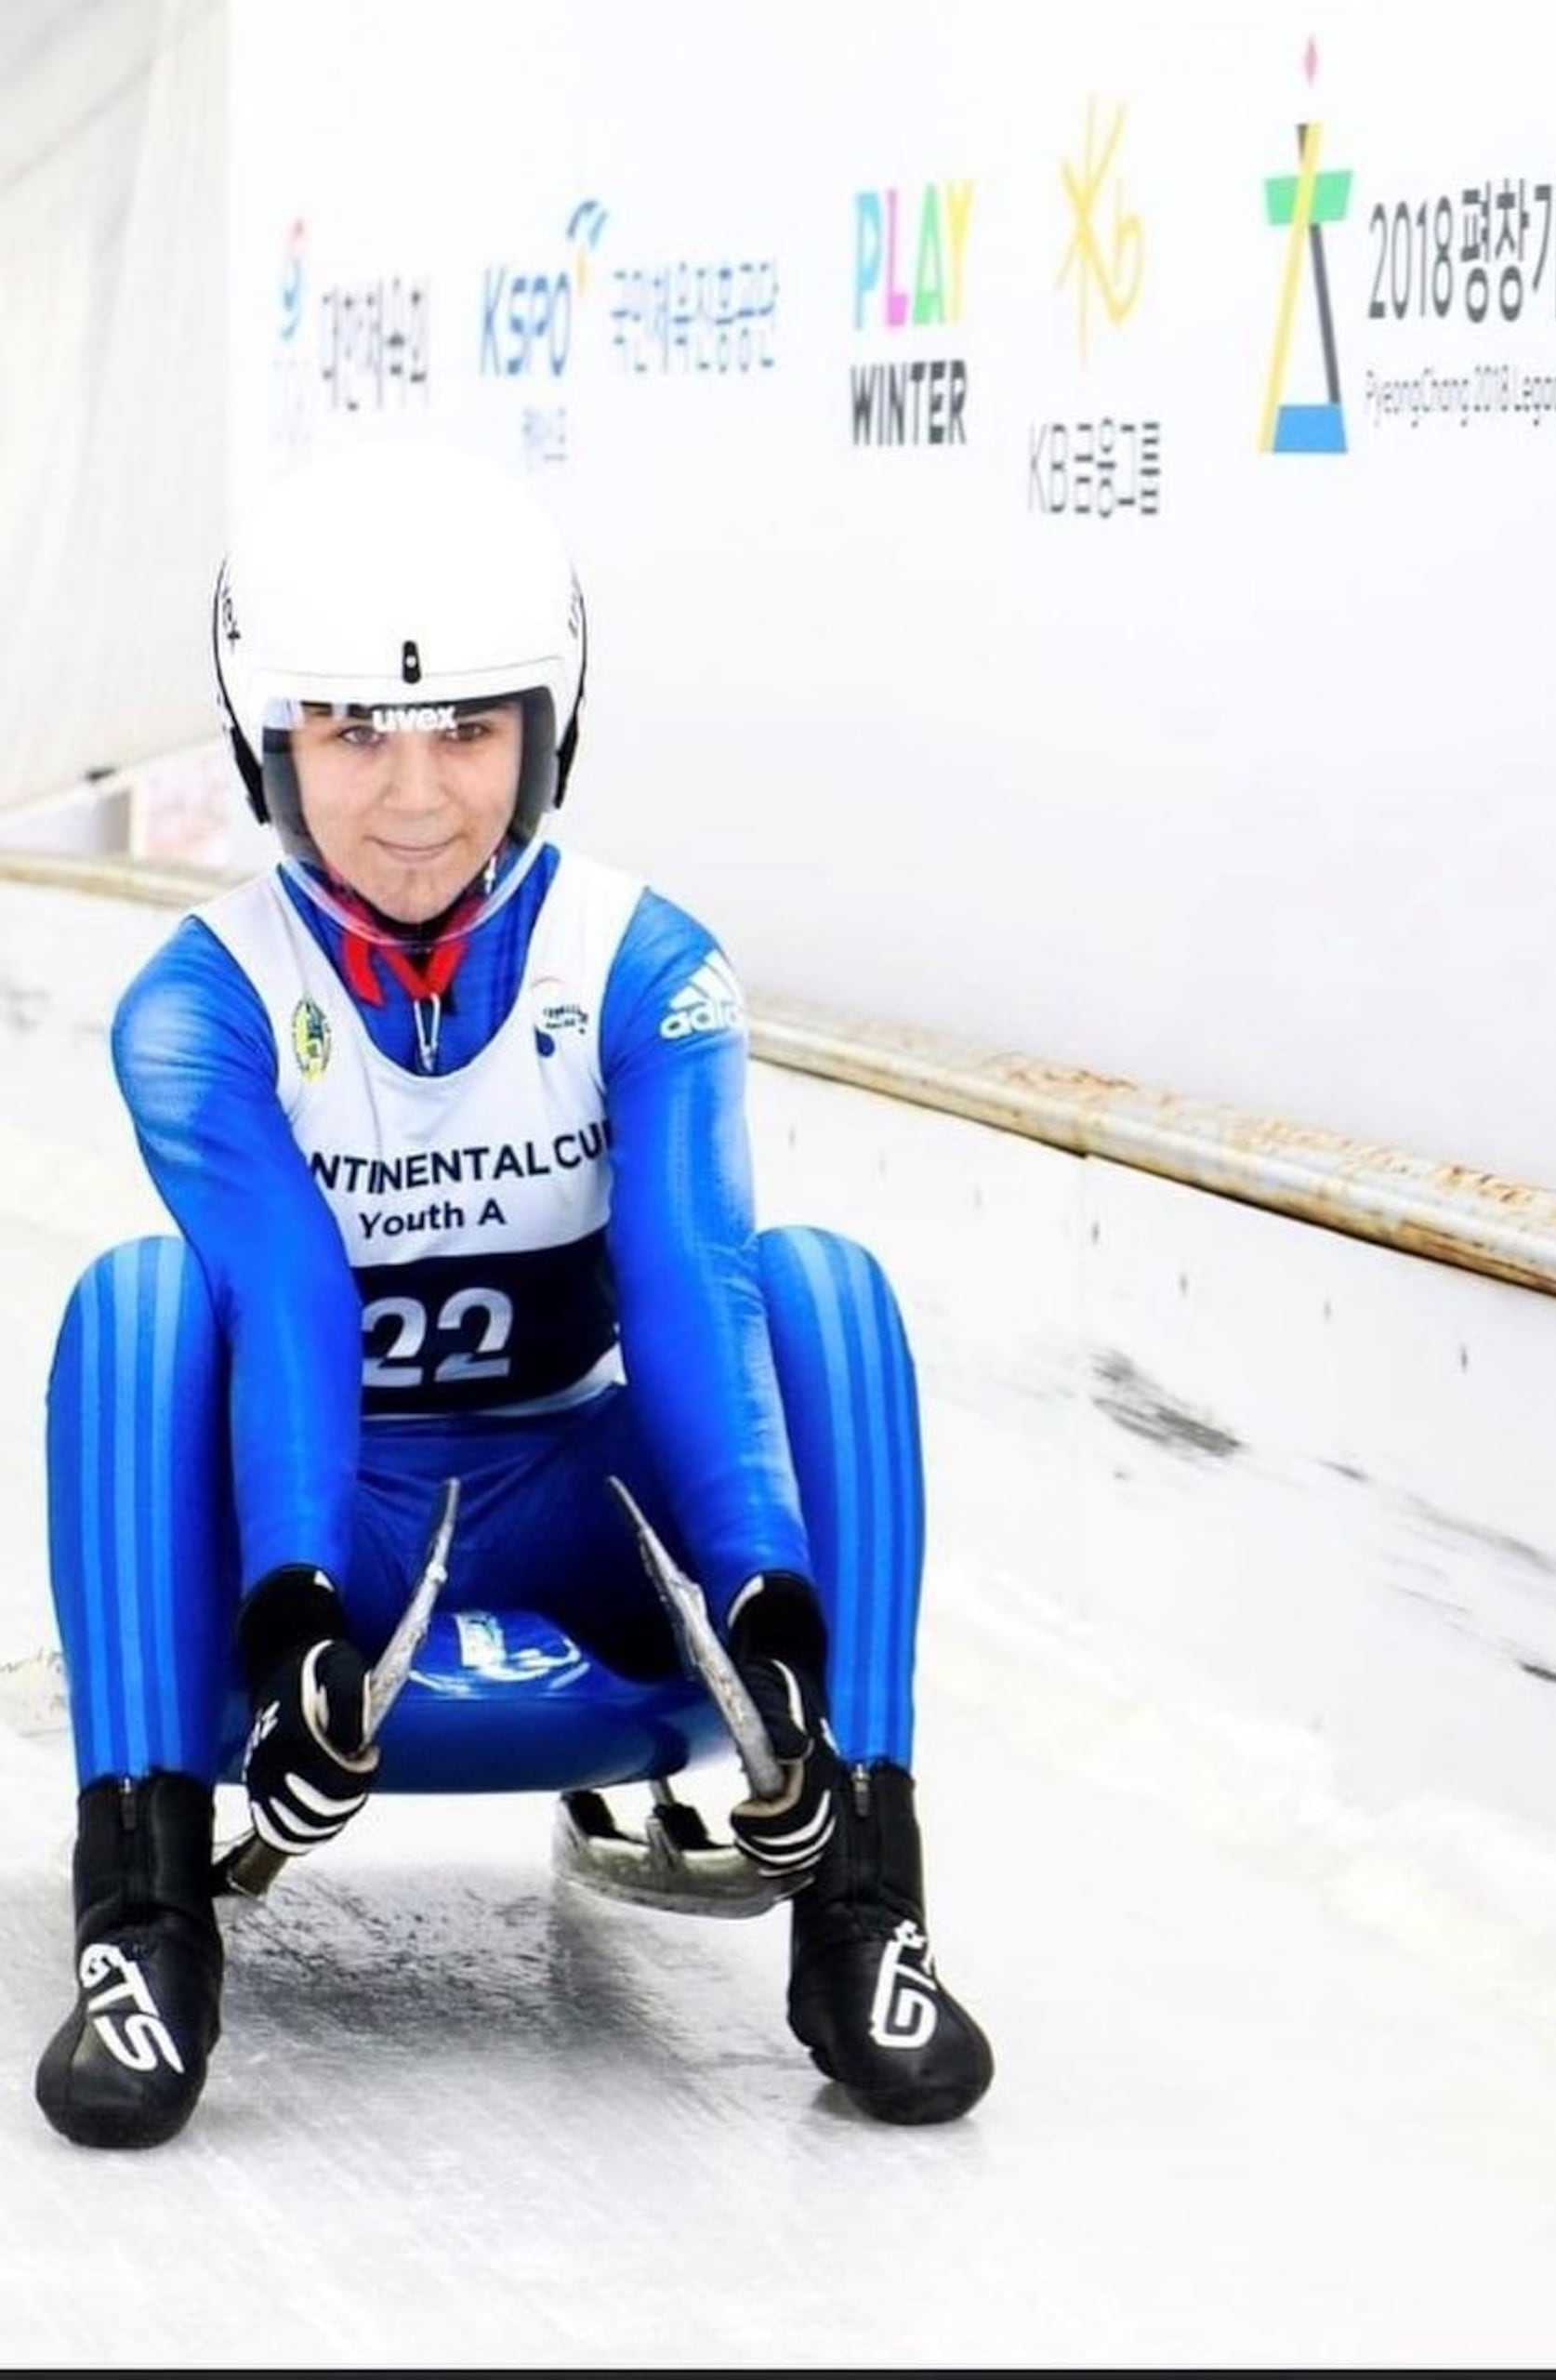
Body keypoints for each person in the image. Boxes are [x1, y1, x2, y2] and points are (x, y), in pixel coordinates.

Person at [33, 435, 994, 2149]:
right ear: (272, 743)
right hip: (330, 1527)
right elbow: (290, 1299)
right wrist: (296, 1610)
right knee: (137, 1308)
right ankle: (145, 1914)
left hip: (584, 1507)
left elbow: (692, 1287)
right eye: (354, 733)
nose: (414, 798)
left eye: (467, 729)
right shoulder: (199, 1005)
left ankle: (866, 1899)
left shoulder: (649, 966)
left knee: (820, 1289)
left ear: (548, 732)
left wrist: (768, 1604)